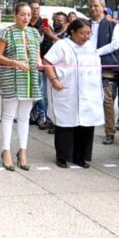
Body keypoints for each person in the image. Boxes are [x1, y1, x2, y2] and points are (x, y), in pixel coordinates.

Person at [43, 19, 103, 168]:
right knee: (66, 125)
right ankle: (62, 156)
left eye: (88, 33)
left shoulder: (90, 46)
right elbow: (47, 62)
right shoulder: (62, 45)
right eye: (82, 33)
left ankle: (80, 157)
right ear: (72, 32)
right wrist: (54, 80)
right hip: (66, 91)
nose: (86, 36)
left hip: (88, 92)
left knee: (86, 125)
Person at [0, 2, 42, 171]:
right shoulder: (7, 31)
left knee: (24, 116)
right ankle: (6, 151)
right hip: (12, 78)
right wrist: (14, 62)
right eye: (22, 14)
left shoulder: (35, 33)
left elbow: (38, 56)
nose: (26, 18)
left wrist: (39, 62)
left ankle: (23, 151)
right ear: (15, 15)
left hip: (30, 79)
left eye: (29, 15)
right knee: (8, 115)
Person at [88, 0, 119, 144]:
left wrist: (95, 52)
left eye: (96, 6)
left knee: (107, 100)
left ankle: (110, 131)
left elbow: (115, 45)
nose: (93, 9)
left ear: (103, 7)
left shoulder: (113, 24)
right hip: (86, 66)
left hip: (106, 67)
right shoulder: (85, 24)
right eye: (90, 6)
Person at [27, 1, 52, 130]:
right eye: (33, 9)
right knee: (29, 91)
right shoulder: (25, 24)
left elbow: (48, 44)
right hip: (25, 63)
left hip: (40, 63)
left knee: (40, 91)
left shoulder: (45, 25)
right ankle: (32, 115)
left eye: (37, 9)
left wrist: (41, 60)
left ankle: (43, 116)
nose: (35, 11)